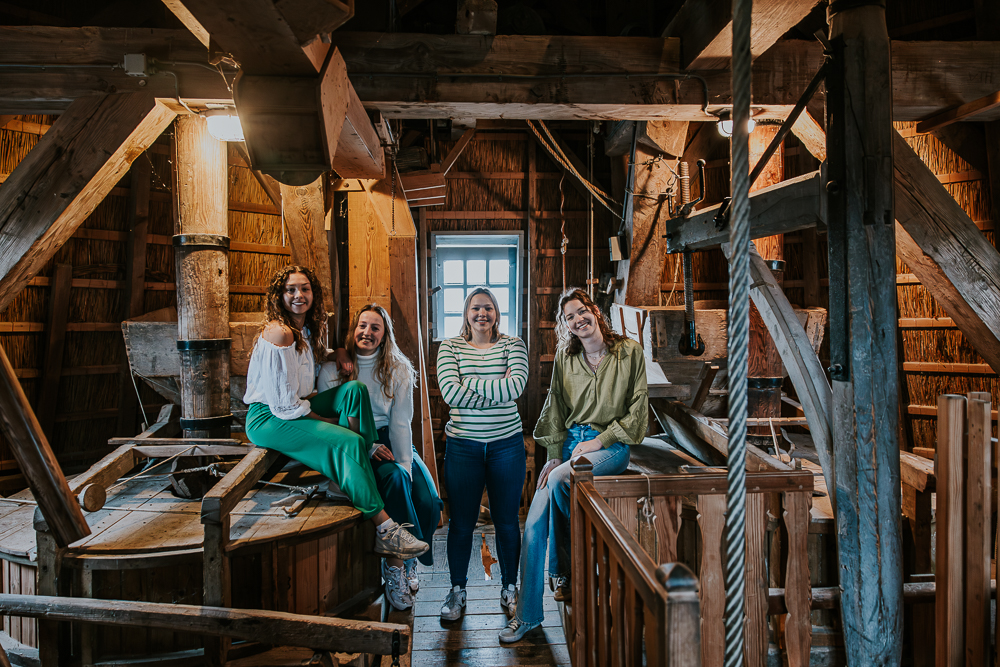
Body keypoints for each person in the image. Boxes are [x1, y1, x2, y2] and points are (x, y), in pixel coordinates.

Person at [242, 265, 428, 562]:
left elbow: (312, 361)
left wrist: (337, 352)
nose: (298, 295)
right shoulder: (279, 333)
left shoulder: (303, 331)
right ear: (280, 296)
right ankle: (386, 530)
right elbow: (285, 406)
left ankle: (357, 461)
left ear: (313, 294)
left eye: (304, 288)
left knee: (355, 390)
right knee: (350, 441)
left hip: (295, 407)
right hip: (270, 418)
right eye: (290, 289)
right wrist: (333, 424)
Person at [499, 288, 648, 643]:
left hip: (610, 444)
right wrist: (552, 455)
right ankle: (529, 616)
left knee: (562, 479)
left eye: (581, 312)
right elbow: (555, 409)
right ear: (566, 325)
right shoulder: (566, 358)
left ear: (595, 311)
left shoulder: (629, 353)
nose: (578, 320)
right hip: (569, 444)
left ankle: (563, 572)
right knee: (534, 522)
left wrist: (599, 441)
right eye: (570, 317)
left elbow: (638, 409)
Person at [329, 304, 442, 611]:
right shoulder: (335, 367)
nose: (367, 332)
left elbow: (402, 422)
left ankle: (412, 560)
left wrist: (406, 465)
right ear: (354, 330)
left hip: (393, 439)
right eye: (362, 326)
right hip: (353, 440)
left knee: (428, 498)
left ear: (384, 334)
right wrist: (368, 447)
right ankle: (396, 567)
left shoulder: (398, 367)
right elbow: (332, 418)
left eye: (375, 327)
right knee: (391, 479)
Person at [436, 287, 529, 621]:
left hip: (507, 445)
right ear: (466, 313)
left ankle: (509, 587)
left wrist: (470, 382)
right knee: (462, 524)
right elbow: (449, 393)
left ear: (496, 313)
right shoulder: (450, 347)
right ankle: (457, 591)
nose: (481, 314)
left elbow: (516, 386)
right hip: (463, 446)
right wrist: (495, 389)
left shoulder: (513, 344)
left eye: (488, 308)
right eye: (475, 308)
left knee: (506, 521)